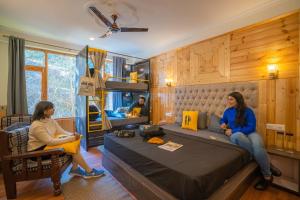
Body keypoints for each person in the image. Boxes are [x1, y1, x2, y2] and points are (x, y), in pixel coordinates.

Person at [220, 92, 281, 190]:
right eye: (228, 99)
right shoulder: (228, 111)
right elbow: (223, 120)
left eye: (231, 99)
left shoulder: (248, 111)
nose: (228, 101)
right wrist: (222, 123)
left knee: (258, 147)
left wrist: (233, 130)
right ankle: (268, 169)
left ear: (238, 100)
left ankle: (266, 175)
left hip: (250, 133)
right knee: (238, 136)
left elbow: (251, 127)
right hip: (236, 135)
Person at [27, 101, 105, 179]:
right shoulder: (37, 126)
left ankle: (75, 169)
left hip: (48, 145)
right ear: (44, 111)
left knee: (75, 142)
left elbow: (61, 131)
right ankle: (89, 171)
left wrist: (72, 135)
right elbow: (50, 142)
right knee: (72, 149)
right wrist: (71, 138)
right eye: (51, 108)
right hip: (38, 152)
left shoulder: (50, 120)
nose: (54, 109)